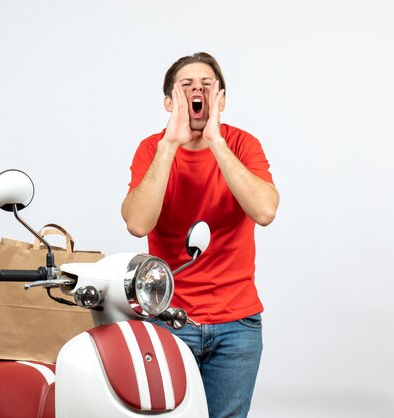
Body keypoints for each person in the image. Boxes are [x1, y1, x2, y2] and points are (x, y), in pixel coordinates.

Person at [121, 52, 279, 418]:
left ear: (221, 100)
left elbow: (265, 211)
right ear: (169, 101)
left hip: (237, 325)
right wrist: (169, 145)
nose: (198, 91)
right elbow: (137, 223)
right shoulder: (152, 148)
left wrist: (216, 142)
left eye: (207, 86)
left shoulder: (243, 145)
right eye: (187, 86)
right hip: (168, 319)